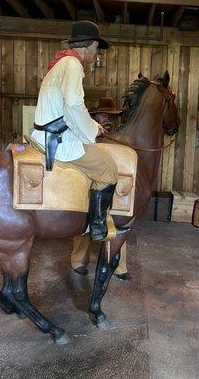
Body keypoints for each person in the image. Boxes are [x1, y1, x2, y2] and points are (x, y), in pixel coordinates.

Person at [30, 21, 128, 241]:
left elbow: (68, 110)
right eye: (96, 47)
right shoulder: (72, 65)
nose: (96, 52)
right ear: (89, 45)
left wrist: (93, 126)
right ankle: (98, 226)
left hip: (46, 132)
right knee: (108, 167)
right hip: (57, 139)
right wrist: (93, 130)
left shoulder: (61, 64)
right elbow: (74, 105)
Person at [71, 97, 131, 281]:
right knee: (86, 220)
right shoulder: (86, 132)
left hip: (115, 184)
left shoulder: (118, 138)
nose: (108, 120)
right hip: (90, 180)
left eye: (111, 117)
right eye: (104, 115)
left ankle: (119, 266)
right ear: (95, 115)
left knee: (119, 222)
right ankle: (78, 260)